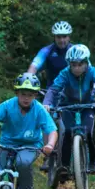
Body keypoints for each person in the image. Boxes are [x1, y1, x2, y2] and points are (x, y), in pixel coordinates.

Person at [42, 44, 95, 174]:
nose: (77, 68)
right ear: (69, 64)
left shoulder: (91, 71)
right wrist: (47, 103)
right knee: (67, 132)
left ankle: (93, 163)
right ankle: (64, 166)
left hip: (87, 106)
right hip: (67, 105)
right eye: (73, 65)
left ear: (86, 63)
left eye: (80, 64)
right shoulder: (65, 73)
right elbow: (53, 89)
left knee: (88, 132)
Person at [28, 21, 73, 171]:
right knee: (47, 119)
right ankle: (48, 154)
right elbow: (35, 65)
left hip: (72, 92)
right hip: (51, 92)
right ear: (54, 37)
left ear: (69, 37)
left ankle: (78, 154)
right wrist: (28, 80)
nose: (62, 40)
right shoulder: (47, 51)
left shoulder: (75, 51)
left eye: (64, 36)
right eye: (59, 37)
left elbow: (88, 67)